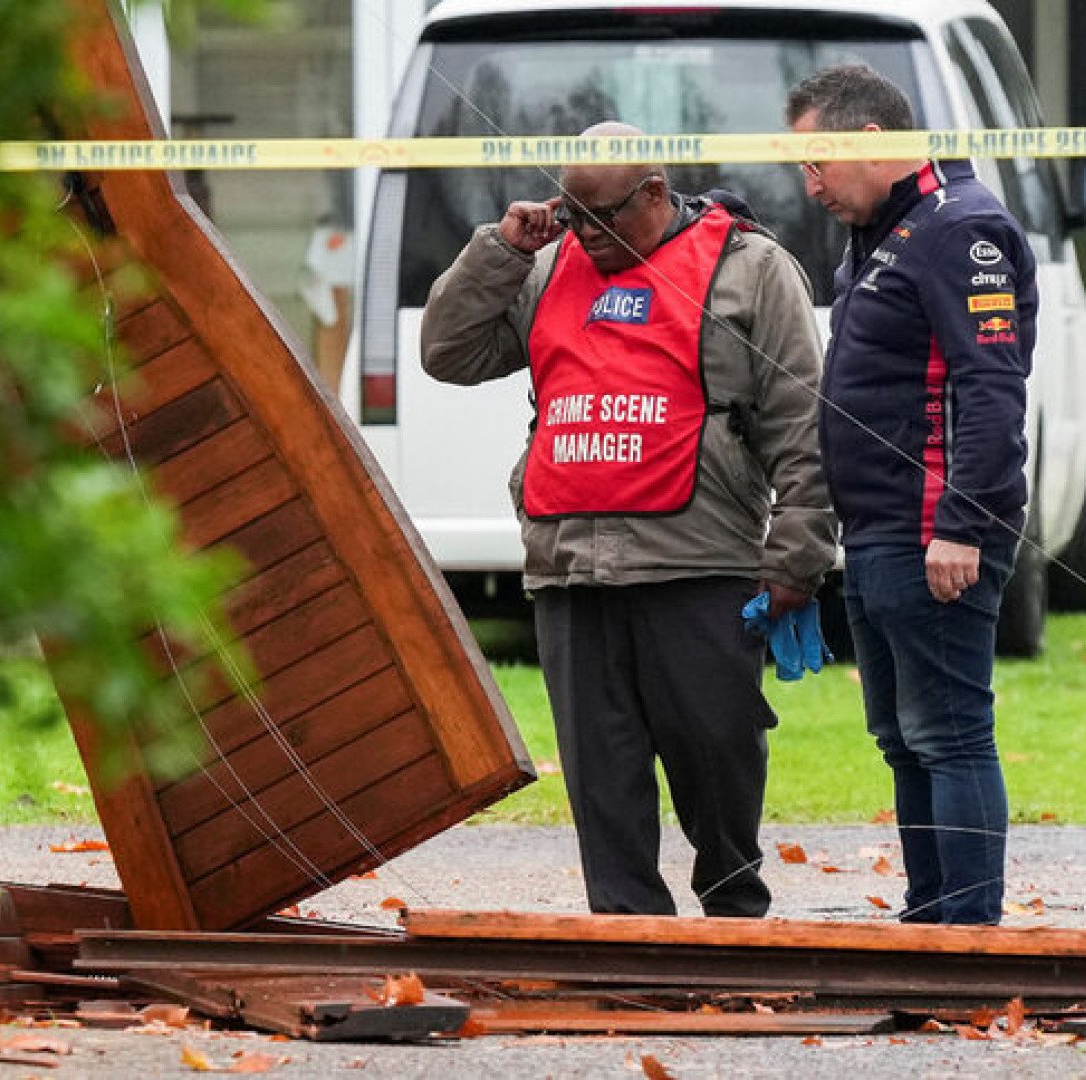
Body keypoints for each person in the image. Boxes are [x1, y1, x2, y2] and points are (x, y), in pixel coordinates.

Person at [421, 121, 835, 918]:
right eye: (574, 215)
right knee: (600, 777)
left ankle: (734, 910)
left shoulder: (750, 270)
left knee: (719, 755)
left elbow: (802, 423)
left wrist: (797, 555)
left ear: (654, 192)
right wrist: (500, 251)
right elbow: (447, 352)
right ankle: (626, 934)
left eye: (604, 215)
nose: (587, 234)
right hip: (571, 566)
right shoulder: (545, 268)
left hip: (698, 562)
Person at [785, 66, 1036, 924]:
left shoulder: (959, 231)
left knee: (949, 733)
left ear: (869, 143)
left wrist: (962, 525)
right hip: (879, 529)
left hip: (936, 531)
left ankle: (967, 934)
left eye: (817, 162)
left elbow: (993, 389)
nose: (807, 184)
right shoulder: (885, 228)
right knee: (900, 738)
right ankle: (930, 919)